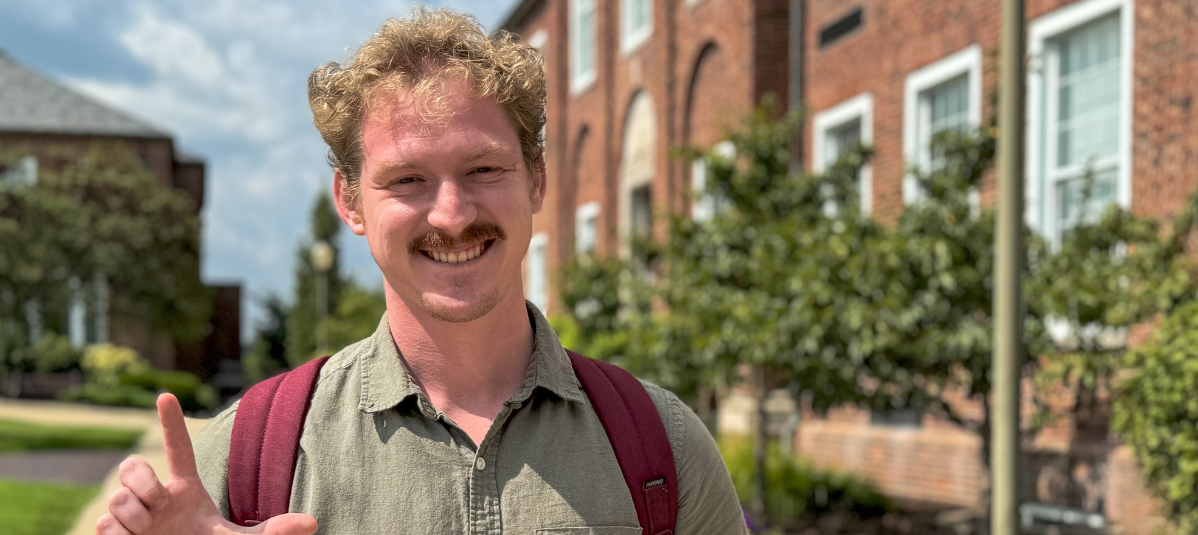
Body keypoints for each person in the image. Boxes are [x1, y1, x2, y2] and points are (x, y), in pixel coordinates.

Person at [94, 8, 746, 535]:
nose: (452, 214)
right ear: (349, 201)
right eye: (408, 179)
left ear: (537, 180)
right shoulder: (249, 457)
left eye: (483, 169)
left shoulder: (662, 448)